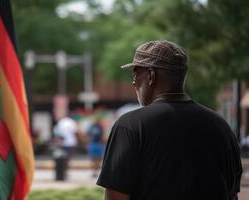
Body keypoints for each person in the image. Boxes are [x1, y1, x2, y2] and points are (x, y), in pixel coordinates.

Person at [97, 40, 243, 200]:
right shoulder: (221, 126)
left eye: (136, 73)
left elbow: (115, 197)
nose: (133, 82)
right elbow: (232, 195)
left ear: (151, 76)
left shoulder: (130, 125)